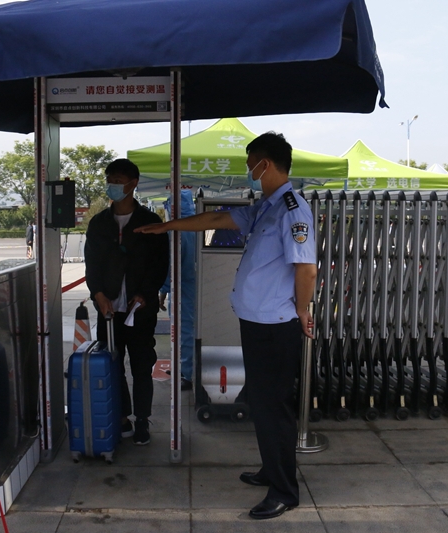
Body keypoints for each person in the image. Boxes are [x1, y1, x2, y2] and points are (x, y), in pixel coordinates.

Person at [136, 132, 317, 520]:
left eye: (250, 163)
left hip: (275, 326)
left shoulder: (292, 210)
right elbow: (216, 218)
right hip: (257, 323)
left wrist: (303, 310)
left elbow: (307, 268)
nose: (247, 170)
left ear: (265, 164)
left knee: (274, 408)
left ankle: (284, 491)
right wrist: (168, 227)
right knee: (262, 405)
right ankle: (271, 469)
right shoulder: (266, 206)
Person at [84, 158, 169, 446]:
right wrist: (98, 294)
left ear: (133, 184)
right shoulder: (99, 223)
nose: (113, 186)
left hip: (140, 311)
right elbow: (92, 264)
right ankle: (121, 417)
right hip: (108, 311)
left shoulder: (150, 222)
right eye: (110, 181)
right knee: (112, 364)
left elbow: (160, 265)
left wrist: (145, 293)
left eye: (119, 181)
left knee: (142, 366)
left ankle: (142, 419)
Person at [158, 189, 197, 391]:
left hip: (182, 289)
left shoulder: (176, 232)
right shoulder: (198, 227)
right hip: (194, 288)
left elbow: (171, 267)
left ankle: (187, 374)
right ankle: (183, 368)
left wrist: (163, 291)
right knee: (189, 330)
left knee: (184, 331)